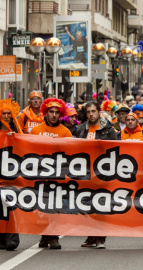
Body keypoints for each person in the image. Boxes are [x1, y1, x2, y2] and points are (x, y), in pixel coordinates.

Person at [73, 101, 117, 249]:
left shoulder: (108, 130)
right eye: (88, 112)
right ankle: (91, 236)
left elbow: (116, 151)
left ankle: (100, 238)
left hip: (102, 173)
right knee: (87, 205)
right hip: (85, 173)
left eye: (93, 111)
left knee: (100, 205)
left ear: (99, 112)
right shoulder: (80, 130)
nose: (91, 114)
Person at [30, 98, 72, 249]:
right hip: (40, 175)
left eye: (56, 112)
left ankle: (53, 237)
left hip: (58, 176)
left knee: (55, 206)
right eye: (51, 112)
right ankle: (45, 235)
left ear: (60, 114)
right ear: (45, 112)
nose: (54, 115)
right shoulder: (35, 130)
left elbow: (72, 155)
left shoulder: (65, 132)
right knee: (42, 206)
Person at [0, 99, 22, 251]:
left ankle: (12, 239)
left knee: (11, 206)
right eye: (3, 113)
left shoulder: (17, 134)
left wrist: (14, 139)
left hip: (11, 176)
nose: (6, 116)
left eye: (9, 113)